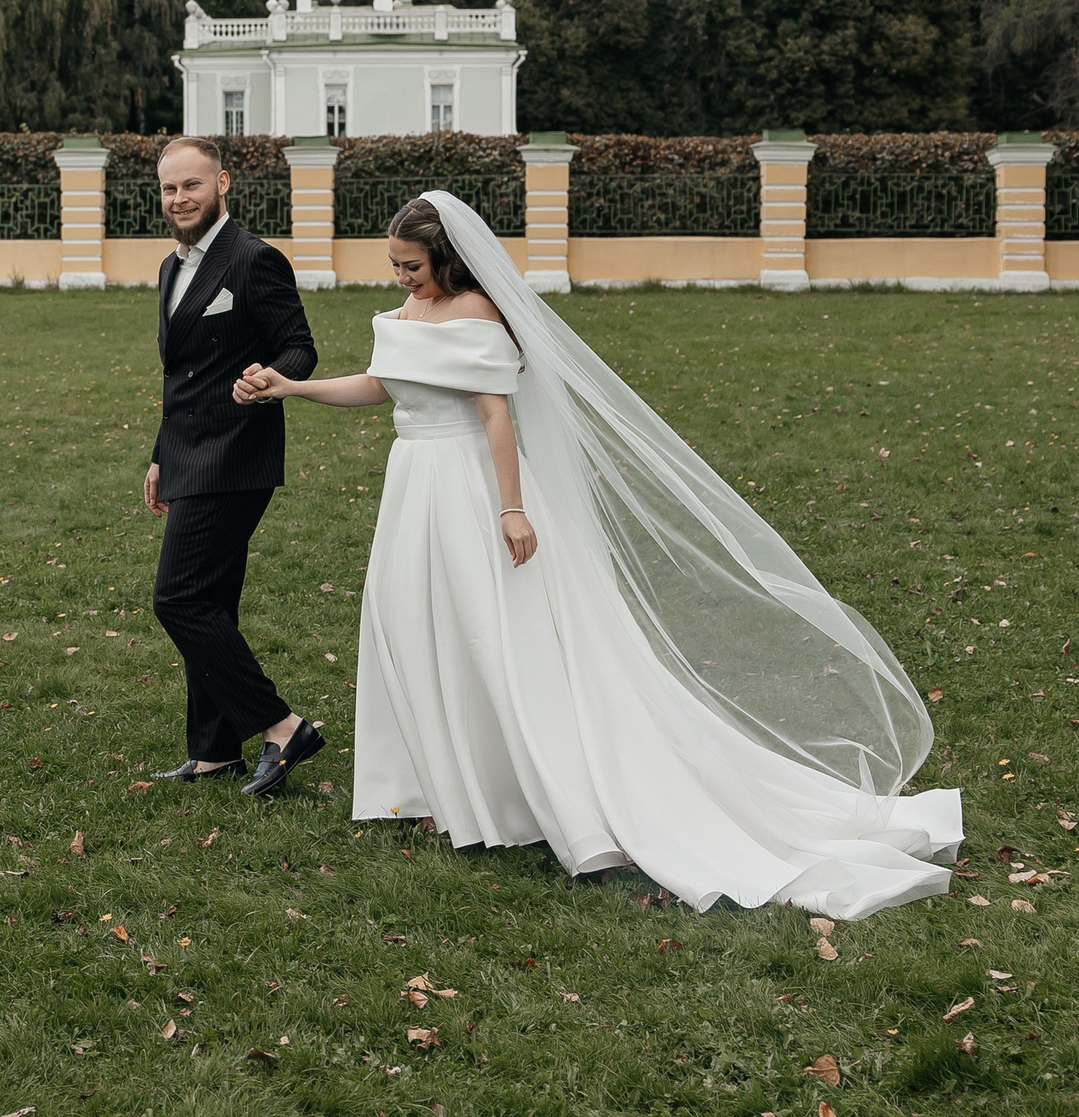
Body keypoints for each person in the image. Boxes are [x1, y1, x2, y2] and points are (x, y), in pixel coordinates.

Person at [234, 191, 962, 918]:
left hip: (468, 483)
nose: (402, 277)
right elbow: (382, 385)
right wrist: (292, 387)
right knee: (424, 628)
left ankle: (532, 792)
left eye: (413, 266)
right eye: (395, 265)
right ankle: (452, 789)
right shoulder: (408, 311)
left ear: (447, 260)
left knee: (496, 633)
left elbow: (494, 415)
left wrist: (510, 507)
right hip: (413, 484)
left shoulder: (477, 312)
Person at [143, 136, 325, 796]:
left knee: (178, 597)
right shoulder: (170, 268)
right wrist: (161, 455)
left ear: (222, 183)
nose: (180, 198)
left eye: (192, 184)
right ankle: (214, 750)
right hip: (188, 452)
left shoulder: (254, 259)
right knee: (212, 598)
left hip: (238, 453)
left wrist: (273, 377)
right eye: (169, 188)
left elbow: (299, 346)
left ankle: (282, 726)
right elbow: (182, 376)